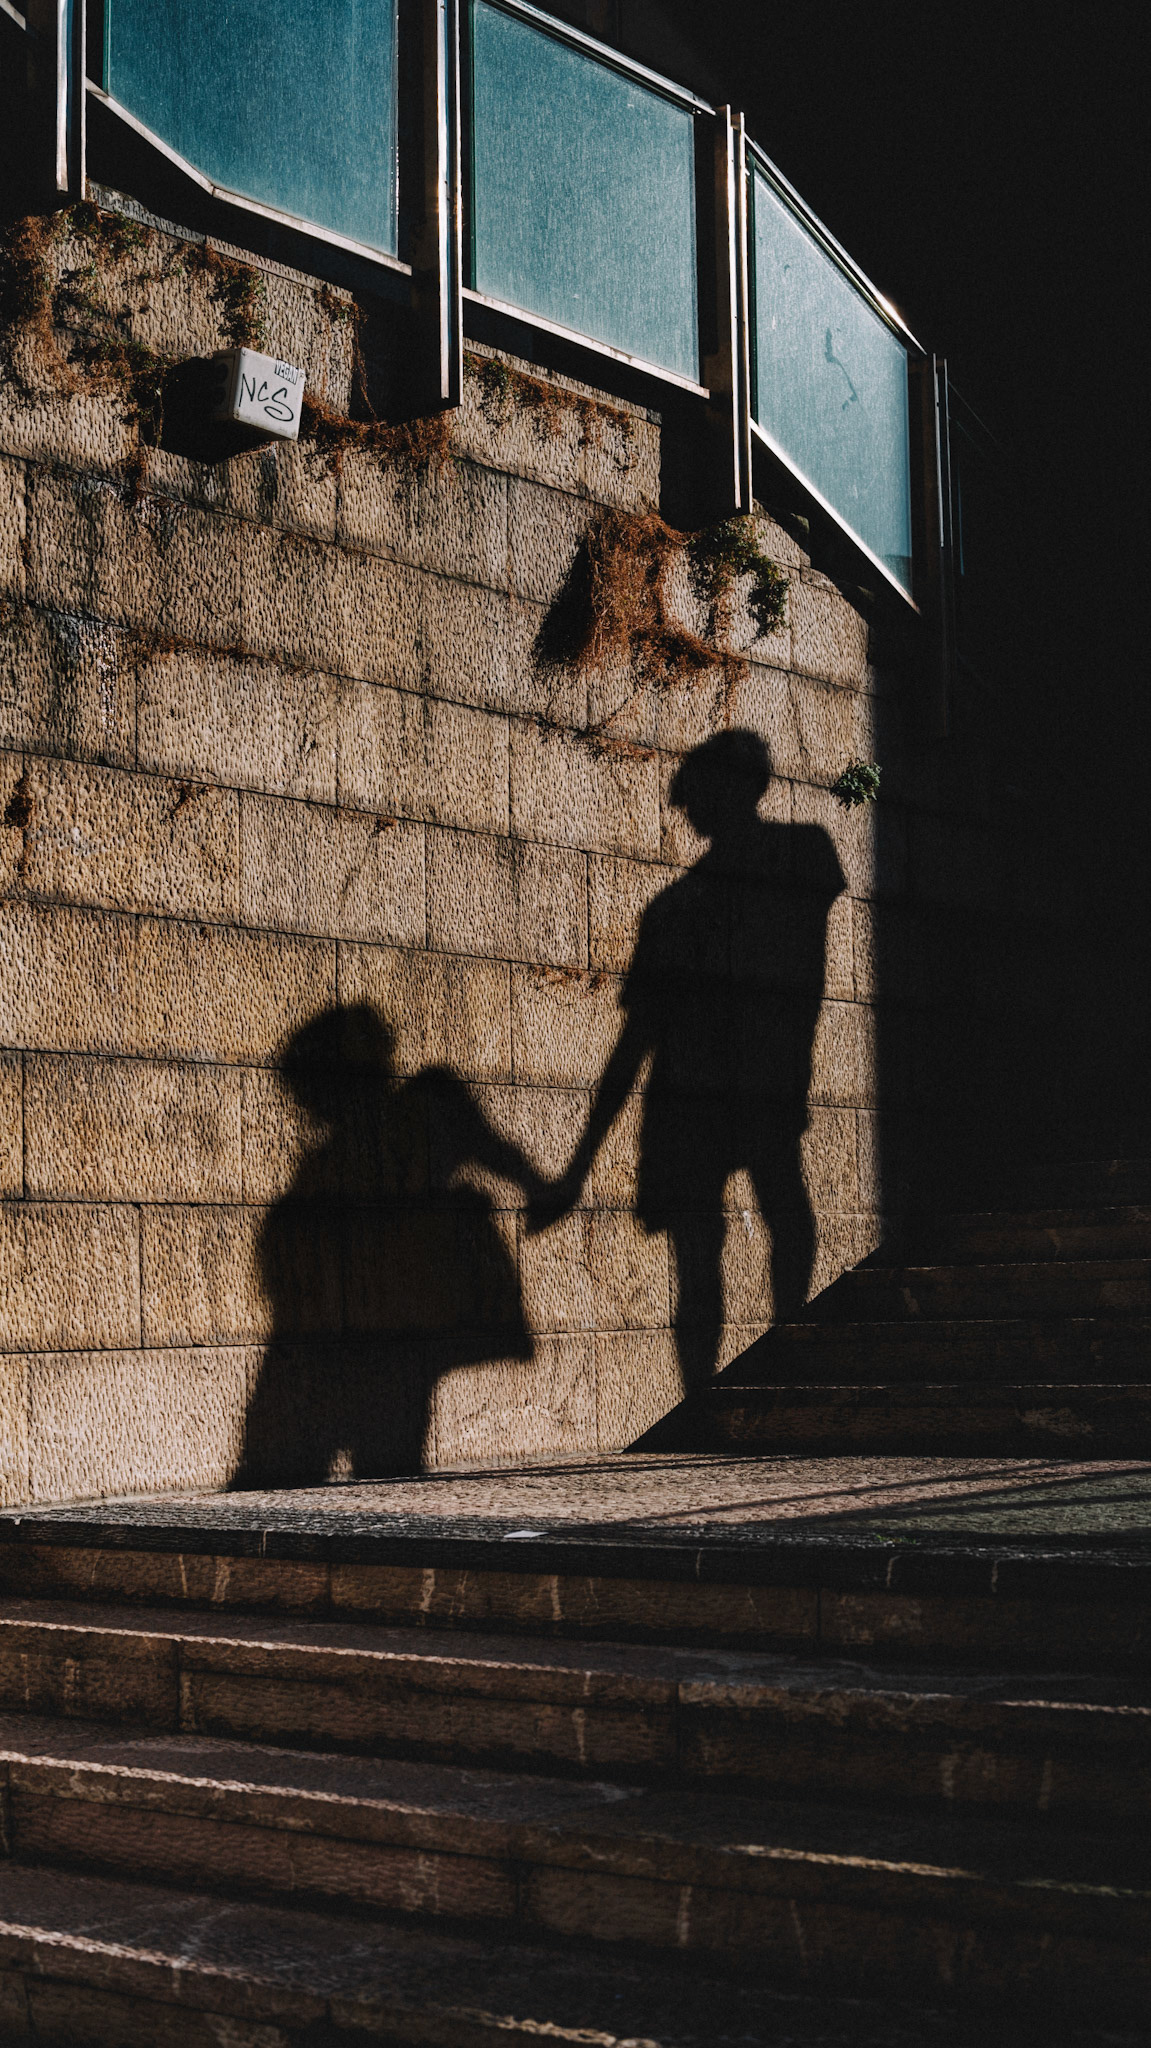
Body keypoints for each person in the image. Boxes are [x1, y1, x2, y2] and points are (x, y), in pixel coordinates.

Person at [530, 730, 844, 1390]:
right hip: (717, 1087)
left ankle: (763, 1372)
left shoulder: (781, 862)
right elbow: (636, 1041)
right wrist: (579, 1164)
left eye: (698, 793)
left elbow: (636, 1041)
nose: (689, 810)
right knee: (723, 1240)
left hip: (732, 1083)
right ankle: (735, 1383)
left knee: (740, 1232)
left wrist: (579, 1164)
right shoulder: (700, 898)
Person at [241, 1004, 542, 1482]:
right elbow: (499, 1154)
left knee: (385, 1451)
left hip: (383, 1317)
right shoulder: (412, 1114)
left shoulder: (408, 1113)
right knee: (389, 1453)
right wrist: (539, 1188)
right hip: (394, 1315)